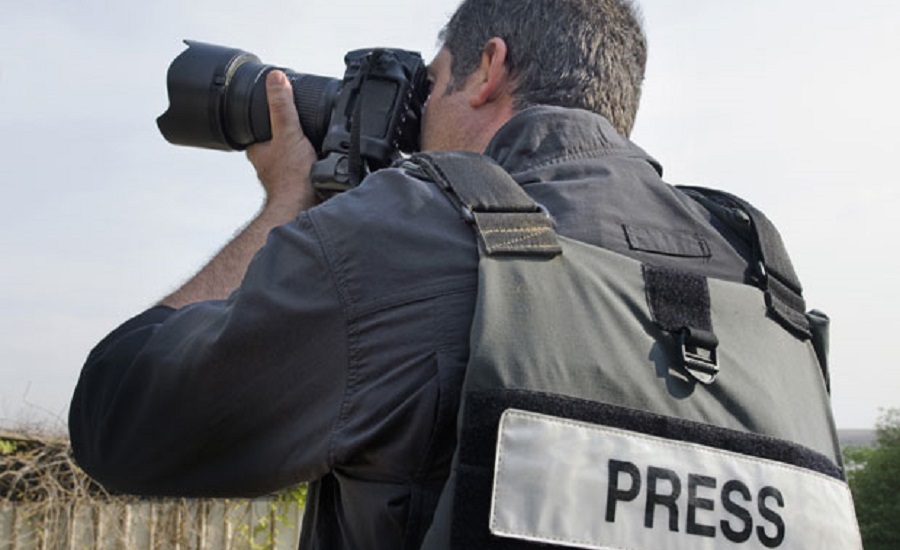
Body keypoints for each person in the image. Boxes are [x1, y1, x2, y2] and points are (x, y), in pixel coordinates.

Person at [70, 0, 754, 548]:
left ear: (488, 70)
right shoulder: (751, 270)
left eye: (431, 84)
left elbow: (120, 420)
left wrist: (287, 203)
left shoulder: (412, 234)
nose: (420, 116)